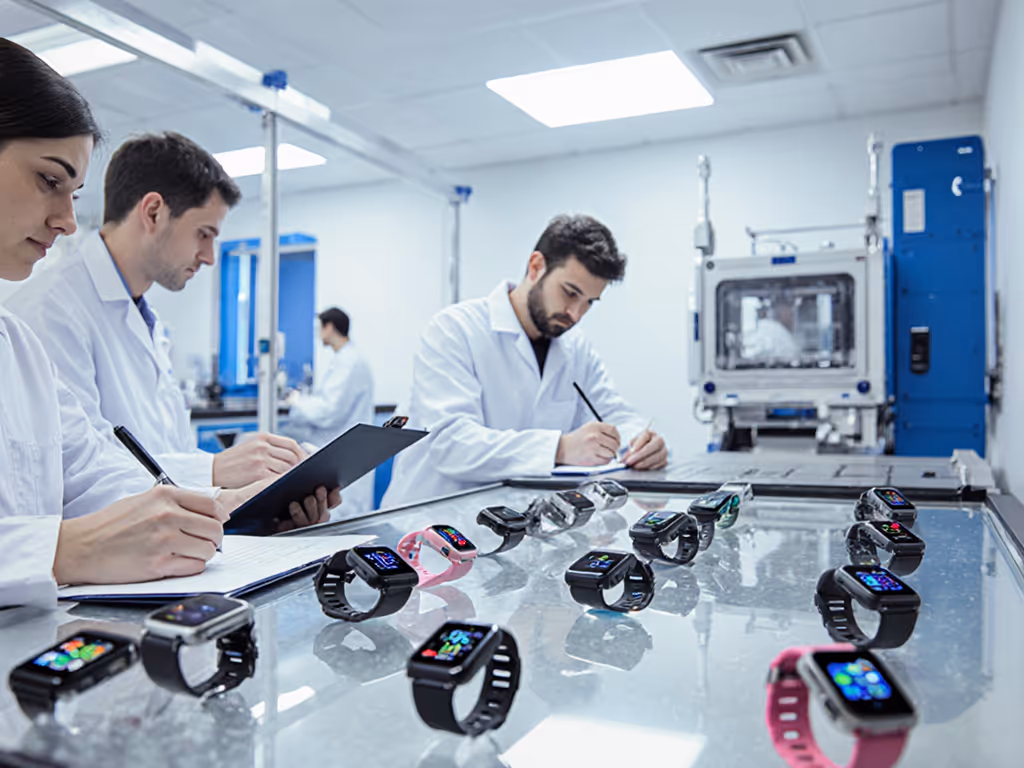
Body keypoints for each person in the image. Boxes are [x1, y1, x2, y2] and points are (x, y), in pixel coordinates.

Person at [0, 39, 336, 609]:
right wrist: (60, 551)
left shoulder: (15, 343)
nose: (64, 220)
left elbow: (93, 470)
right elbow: (72, 530)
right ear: (153, 212)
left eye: (74, 193)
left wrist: (236, 505)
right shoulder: (46, 309)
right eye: (49, 180)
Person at [7, 131, 307, 488]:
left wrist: (251, 491)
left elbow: (165, 451)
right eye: (203, 233)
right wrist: (212, 472)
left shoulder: (148, 323)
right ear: (153, 213)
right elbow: (76, 472)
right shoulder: (49, 311)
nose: (210, 257)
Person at [382, 214, 668, 507]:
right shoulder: (455, 329)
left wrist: (641, 443)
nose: (576, 314)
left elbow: (614, 414)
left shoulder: (575, 347)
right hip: (430, 527)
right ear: (536, 267)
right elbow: (452, 445)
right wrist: (559, 448)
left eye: (589, 303)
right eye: (570, 293)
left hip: (518, 530)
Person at [285, 307, 374, 515]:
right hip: (345, 451)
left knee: (343, 518)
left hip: (343, 452)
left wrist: (297, 402)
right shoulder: (346, 359)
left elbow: (328, 411)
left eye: (320, 328)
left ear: (330, 327)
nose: (318, 335)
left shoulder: (349, 362)